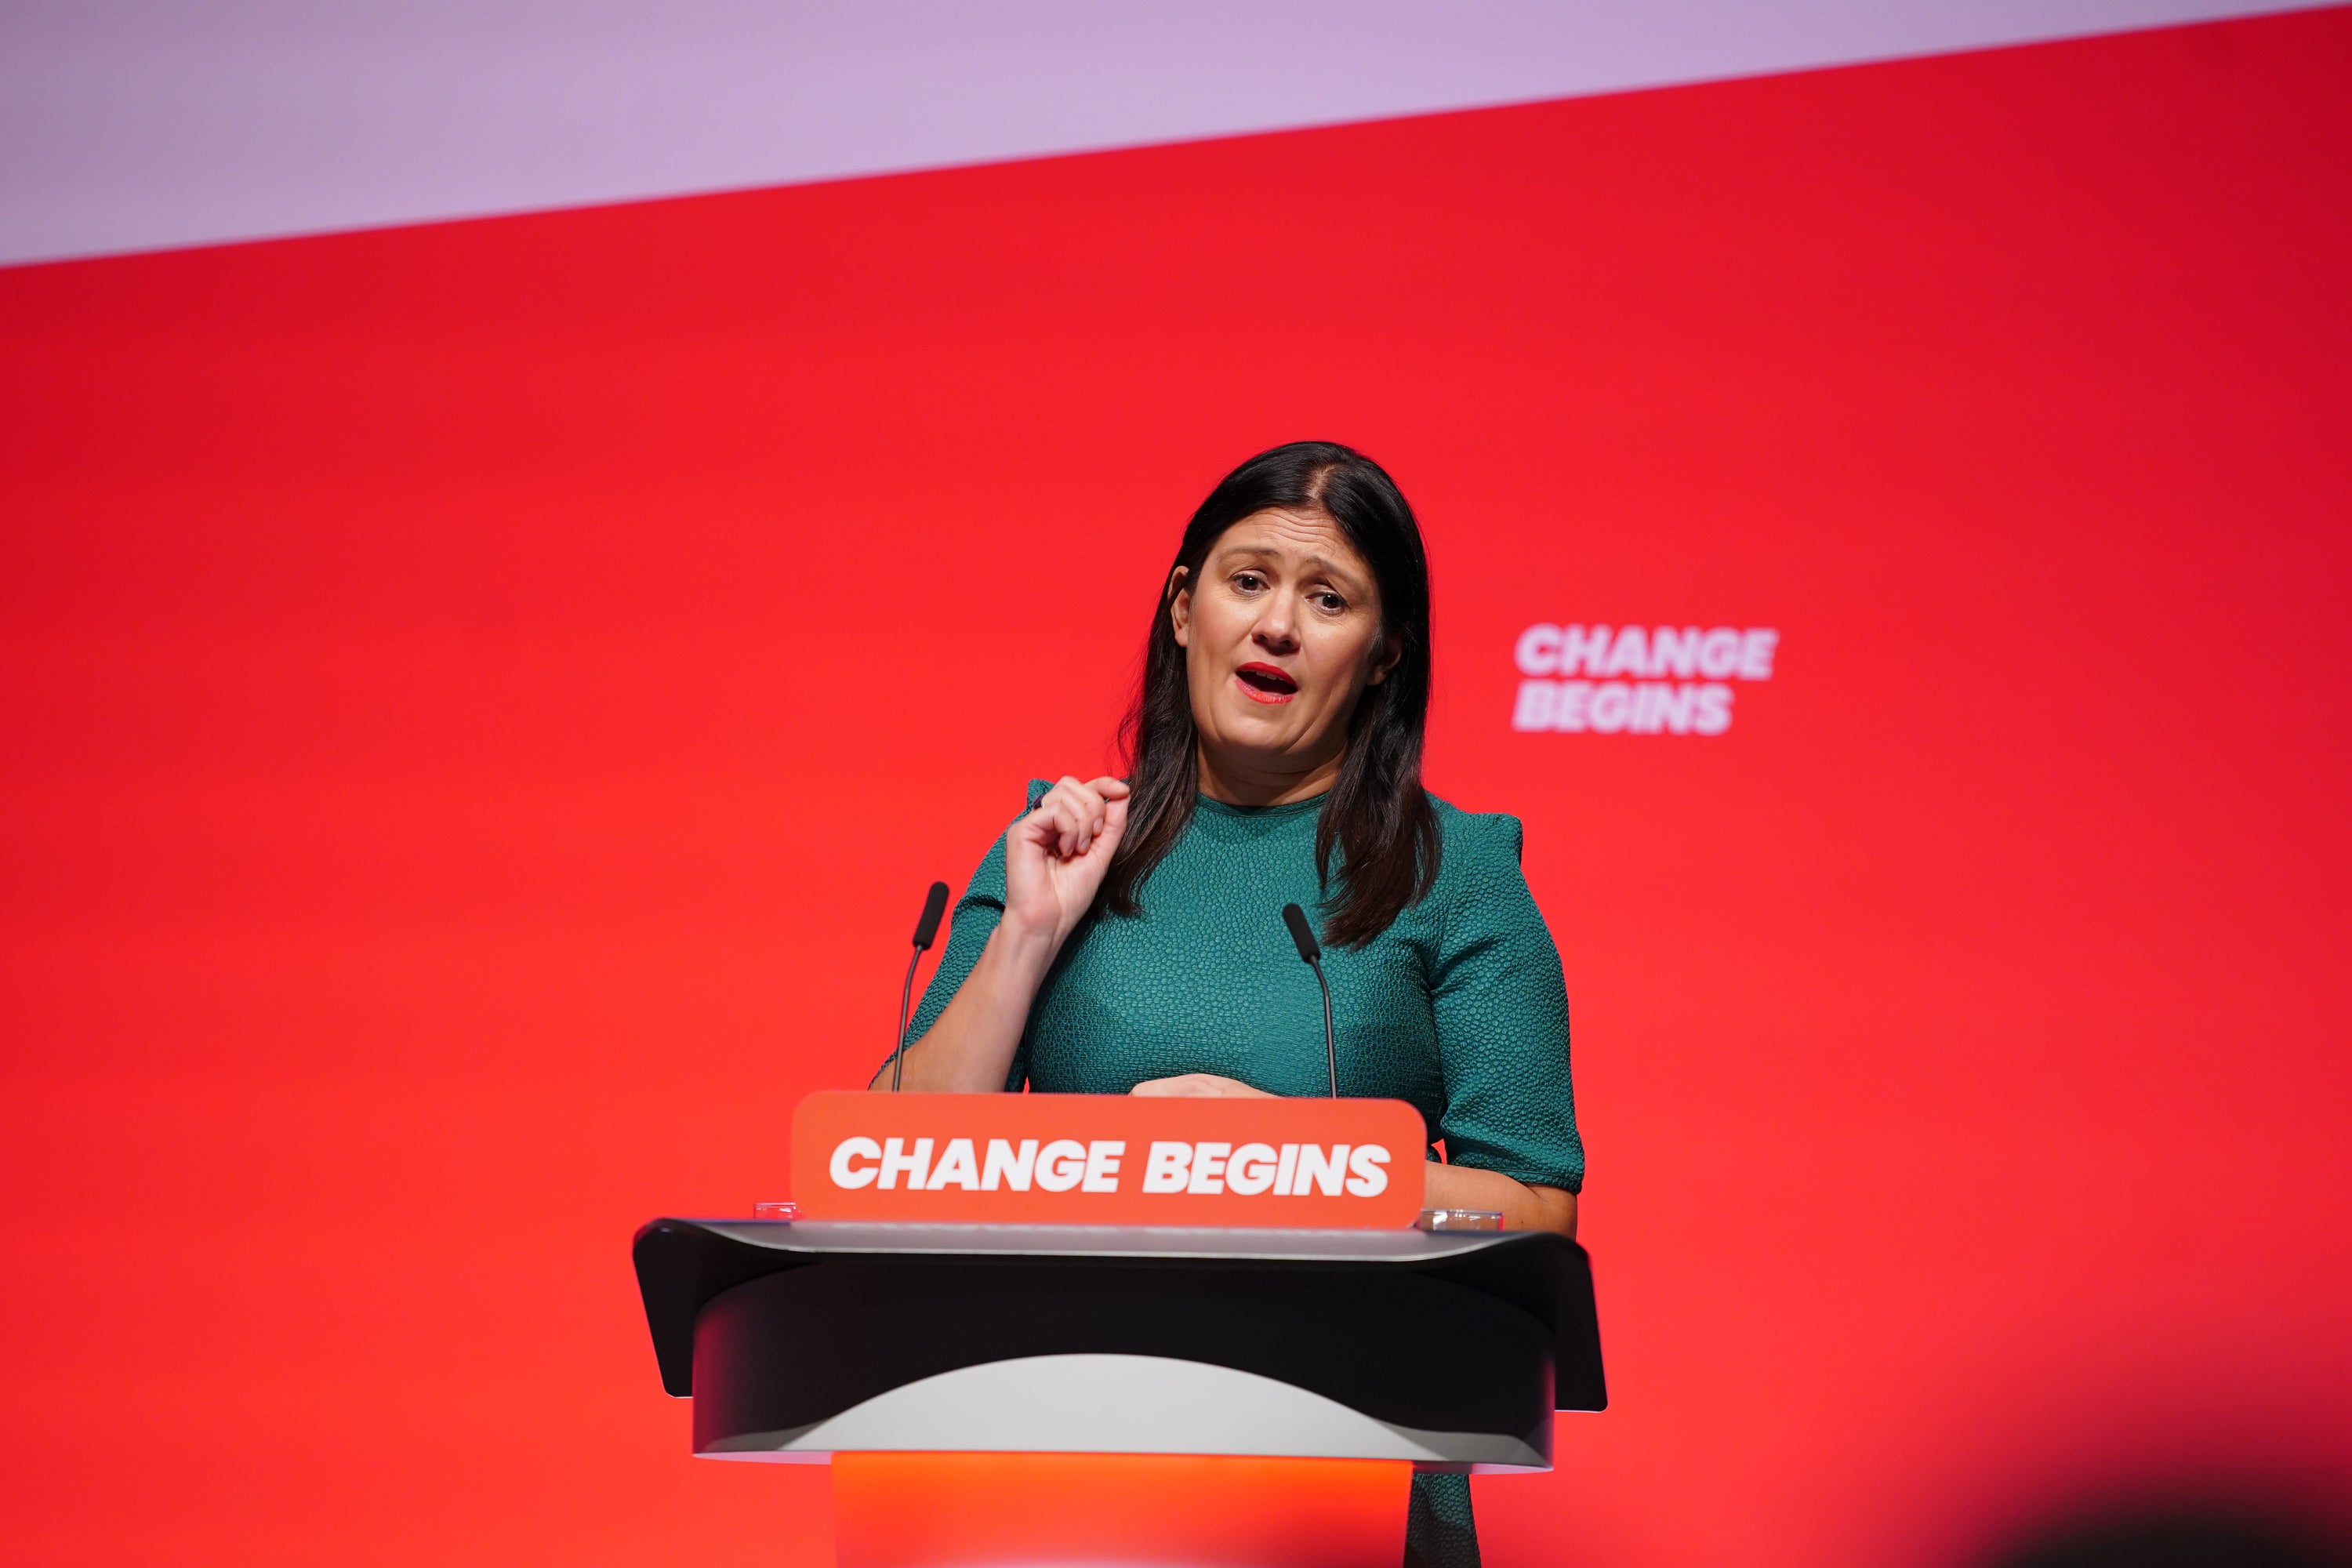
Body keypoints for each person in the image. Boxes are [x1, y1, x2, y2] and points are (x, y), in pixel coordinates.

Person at [873, 440, 1583, 1568]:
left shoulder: (1461, 874)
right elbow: (887, 1170)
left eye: (1328, 598)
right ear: (1181, 608)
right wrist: (1028, 935)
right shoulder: (1063, 848)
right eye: (1247, 580)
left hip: (1349, 1477)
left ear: (1387, 649)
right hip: (1057, 1475)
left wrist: (1276, 1159)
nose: (1277, 627)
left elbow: (1535, 1215)